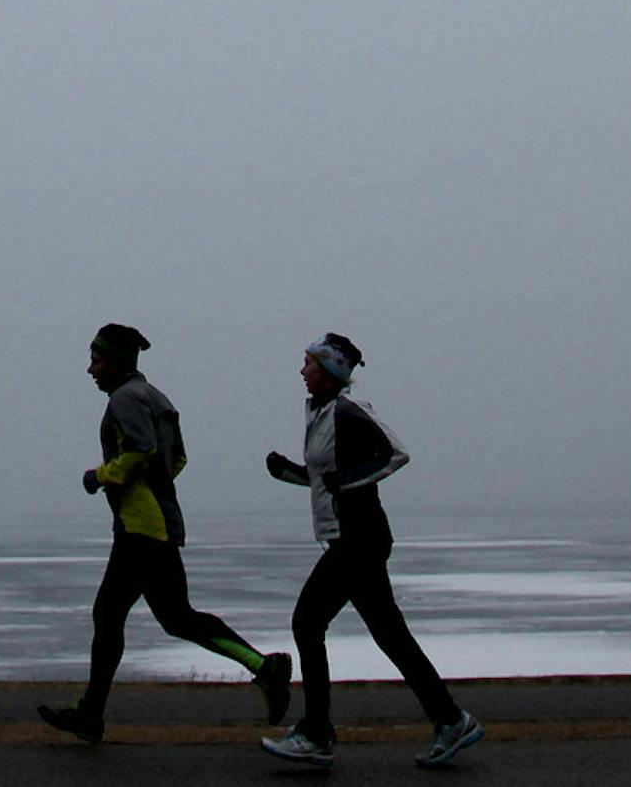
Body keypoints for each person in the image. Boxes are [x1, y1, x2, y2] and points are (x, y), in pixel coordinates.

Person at [37, 323, 291, 742]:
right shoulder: (156, 397)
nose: (90, 369)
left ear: (117, 363)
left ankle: (266, 668)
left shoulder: (124, 399)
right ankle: (91, 714)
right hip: (157, 522)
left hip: (142, 528)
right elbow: (178, 460)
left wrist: (99, 476)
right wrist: (153, 487)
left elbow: (140, 451)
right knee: (155, 617)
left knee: (148, 616)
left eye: (96, 361)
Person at [259, 333, 482, 771]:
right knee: (389, 634)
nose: (301, 370)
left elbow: (395, 455)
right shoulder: (321, 412)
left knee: (307, 622)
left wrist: (346, 482)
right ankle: (451, 720)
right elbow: (328, 478)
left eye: (308, 363)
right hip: (348, 537)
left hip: (359, 539)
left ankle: (317, 733)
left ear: (329, 371)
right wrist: (289, 472)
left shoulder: (348, 410)